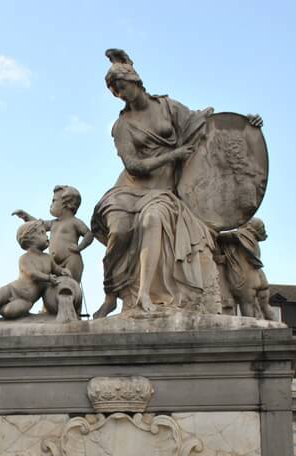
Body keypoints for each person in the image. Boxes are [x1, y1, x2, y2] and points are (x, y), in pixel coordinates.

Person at [91, 49, 262, 318]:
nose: (120, 95)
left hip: (162, 191)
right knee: (120, 230)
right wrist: (173, 155)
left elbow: (204, 125)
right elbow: (133, 165)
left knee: (153, 220)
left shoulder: (168, 107)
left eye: (122, 87)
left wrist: (246, 126)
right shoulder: (122, 126)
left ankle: (146, 294)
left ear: (135, 81)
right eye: (115, 92)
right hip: (129, 189)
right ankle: (112, 295)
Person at [0, 221, 70, 322]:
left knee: (11, 312)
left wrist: (62, 271)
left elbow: (56, 268)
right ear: (30, 239)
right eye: (42, 233)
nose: (46, 236)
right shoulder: (24, 258)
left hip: (27, 300)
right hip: (12, 289)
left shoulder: (48, 258)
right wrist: (48, 278)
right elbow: (32, 273)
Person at [14, 185, 94, 284]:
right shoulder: (53, 223)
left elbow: (89, 234)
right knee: (55, 286)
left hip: (71, 259)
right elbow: (38, 225)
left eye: (54, 201)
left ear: (67, 204)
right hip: (54, 264)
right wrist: (25, 216)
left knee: (69, 284)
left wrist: (80, 247)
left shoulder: (74, 222)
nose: (51, 204)